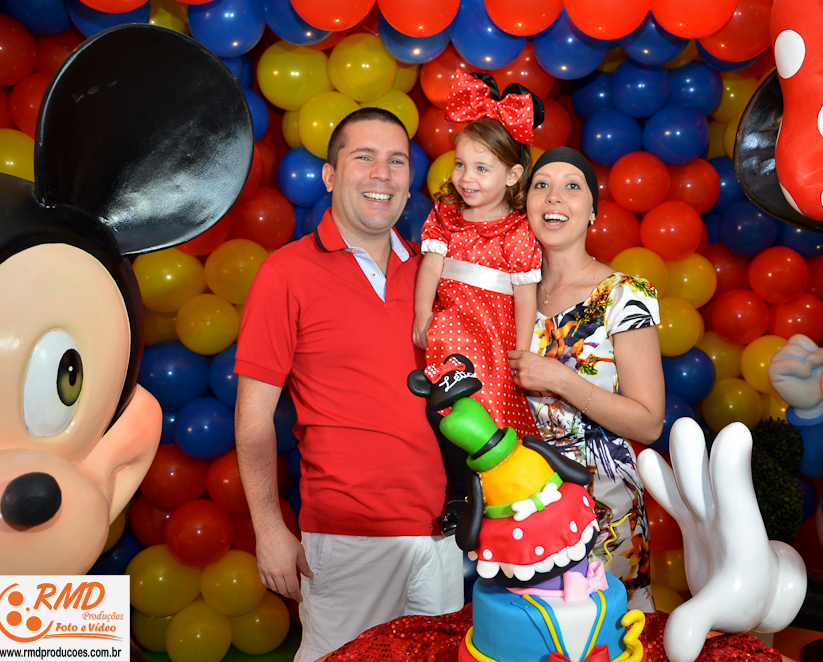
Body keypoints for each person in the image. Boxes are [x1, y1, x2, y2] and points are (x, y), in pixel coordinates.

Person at [233, 108, 463, 662]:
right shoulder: (285, 273)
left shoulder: (436, 273)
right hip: (347, 538)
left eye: (397, 161)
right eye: (364, 157)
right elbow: (253, 417)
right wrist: (269, 528)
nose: (382, 174)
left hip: (443, 535)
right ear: (330, 175)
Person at [507, 147, 666, 612]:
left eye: (572, 186)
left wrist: (562, 379)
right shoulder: (506, 293)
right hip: (519, 504)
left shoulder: (623, 296)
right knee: (527, 633)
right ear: (525, 204)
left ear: (593, 211)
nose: (554, 197)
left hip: (603, 513)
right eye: (541, 185)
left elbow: (648, 423)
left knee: (605, 635)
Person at [412, 71, 542, 440]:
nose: (466, 177)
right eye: (460, 164)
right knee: (449, 343)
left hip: (493, 332)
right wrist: (422, 314)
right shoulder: (447, 215)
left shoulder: (517, 229)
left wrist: (521, 352)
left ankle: (490, 450)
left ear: (512, 175)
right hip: (451, 322)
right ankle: (446, 392)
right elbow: (431, 267)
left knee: (491, 406)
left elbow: (525, 296)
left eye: (481, 169)